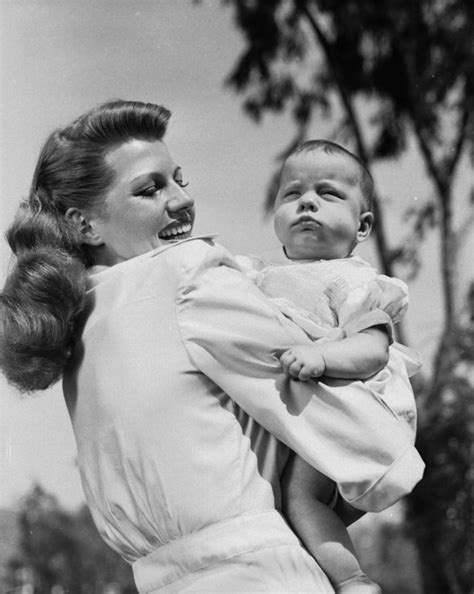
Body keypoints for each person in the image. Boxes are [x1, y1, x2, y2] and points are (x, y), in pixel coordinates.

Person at [0, 101, 424, 593]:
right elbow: (368, 437)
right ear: (85, 225)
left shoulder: (76, 324)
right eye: (151, 188)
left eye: (179, 179)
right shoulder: (187, 277)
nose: (181, 200)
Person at [239, 139, 422, 593]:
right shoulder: (263, 278)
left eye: (328, 193)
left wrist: (321, 356)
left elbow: (373, 348)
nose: (307, 201)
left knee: (302, 499)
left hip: (350, 408)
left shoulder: (351, 280)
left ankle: (354, 581)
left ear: (362, 227)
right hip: (299, 412)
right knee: (276, 504)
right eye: (292, 193)